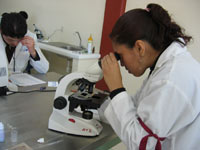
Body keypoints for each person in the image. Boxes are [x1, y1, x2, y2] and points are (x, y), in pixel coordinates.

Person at [100, 3, 200, 150]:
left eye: (120, 55)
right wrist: (94, 109)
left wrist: (116, 88)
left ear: (140, 48)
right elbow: (135, 107)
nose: (120, 64)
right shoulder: (165, 68)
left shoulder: (171, 79)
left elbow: (142, 143)